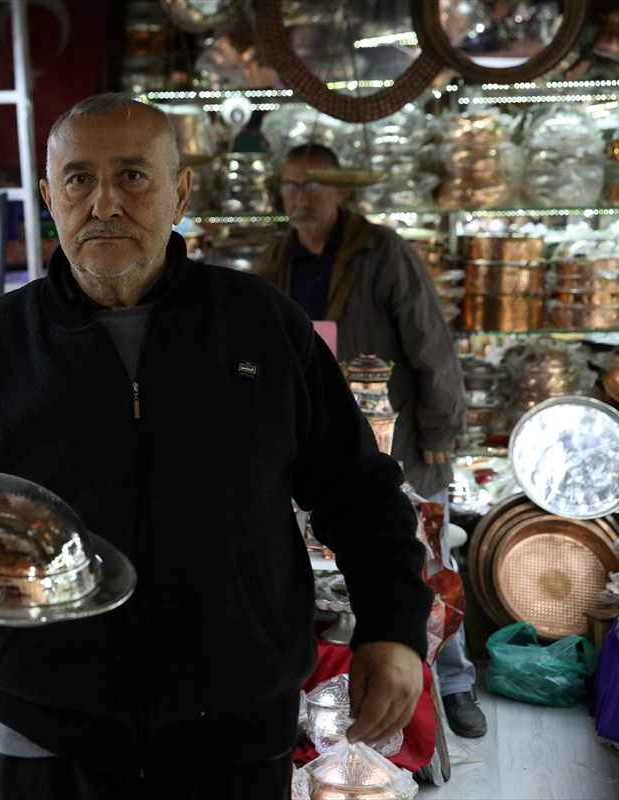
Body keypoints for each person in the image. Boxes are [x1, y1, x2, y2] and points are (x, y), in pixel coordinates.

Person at [0, 94, 433, 799]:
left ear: (181, 193)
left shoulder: (263, 326)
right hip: (47, 735)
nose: (104, 203)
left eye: (134, 176)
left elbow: (358, 491)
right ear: (50, 198)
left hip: (235, 732)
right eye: (78, 180)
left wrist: (392, 629)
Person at [257, 144, 484, 739]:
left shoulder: (380, 251)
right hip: (318, 439)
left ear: (341, 191)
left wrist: (440, 430)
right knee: (323, 560)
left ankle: (454, 685)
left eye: (314, 186)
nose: (300, 199)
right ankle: (328, 691)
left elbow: (430, 342)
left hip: (397, 429)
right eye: (290, 187)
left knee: (429, 555)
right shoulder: (276, 259)